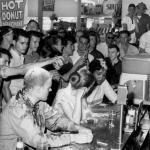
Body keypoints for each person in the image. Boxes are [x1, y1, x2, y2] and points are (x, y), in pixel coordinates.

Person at [0, 67, 93, 150]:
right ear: (38, 89)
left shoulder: (37, 102)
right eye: (48, 87)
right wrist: (73, 138)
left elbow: (56, 120)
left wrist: (78, 128)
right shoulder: (17, 109)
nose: (50, 90)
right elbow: (38, 140)